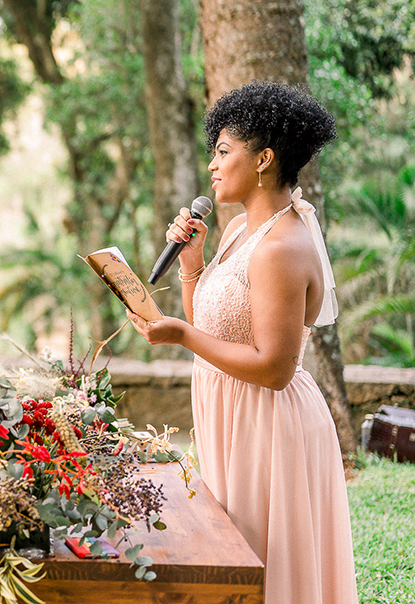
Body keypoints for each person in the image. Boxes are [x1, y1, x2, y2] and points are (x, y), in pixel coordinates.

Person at [127, 81, 357, 604]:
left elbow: (275, 368)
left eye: (224, 151)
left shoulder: (281, 247)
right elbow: (213, 325)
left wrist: (182, 337)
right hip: (231, 413)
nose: (212, 165)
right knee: (233, 556)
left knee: (260, 563)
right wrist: (191, 267)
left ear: (264, 159)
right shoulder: (237, 232)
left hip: (268, 422)